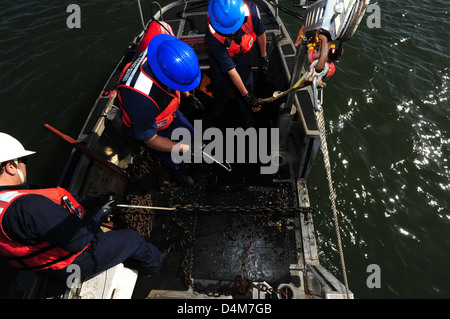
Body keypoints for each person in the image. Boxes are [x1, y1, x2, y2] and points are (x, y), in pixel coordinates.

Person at [0, 132, 162, 279]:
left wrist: (94, 202)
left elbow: (59, 200)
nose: (25, 165)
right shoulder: (28, 206)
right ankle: (157, 265)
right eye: (23, 161)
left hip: (44, 265)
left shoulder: (9, 199)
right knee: (131, 239)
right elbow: (79, 240)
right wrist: (101, 210)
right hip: (69, 262)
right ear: (11, 167)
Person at [117, 24, 203, 185]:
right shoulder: (140, 99)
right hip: (153, 127)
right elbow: (150, 139)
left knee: (190, 135)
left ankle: (188, 160)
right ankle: (176, 172)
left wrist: (188, 96)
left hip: (169, 113)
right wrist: (183, 149)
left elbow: (178, 78)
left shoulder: (165, 53)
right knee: (169, 155)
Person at [205, 0, 268, 126]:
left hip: (243, 55)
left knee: (247, 84)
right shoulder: (212, 34)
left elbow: (261, 33)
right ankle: (220, 104)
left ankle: (247, 114)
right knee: (219, 84)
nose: (232, 32)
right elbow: (230, 69)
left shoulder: (252, 12)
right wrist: (246, 96)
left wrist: (263, 56)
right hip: (221, 60)